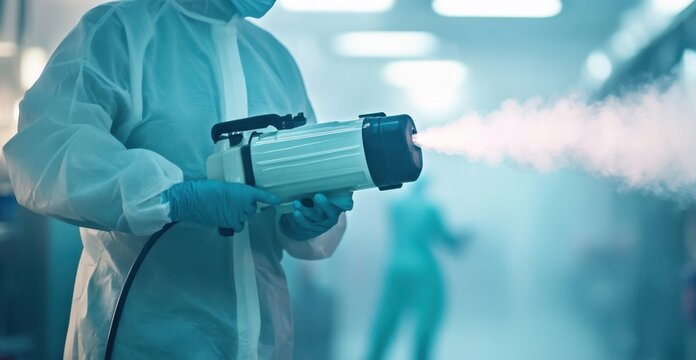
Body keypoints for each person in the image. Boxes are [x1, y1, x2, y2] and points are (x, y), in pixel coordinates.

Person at [1, 0, 352, 357]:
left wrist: (302, 221)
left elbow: (302, 176)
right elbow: (44, 150)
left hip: (260, 343)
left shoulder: (274, 59)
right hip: (144, 340)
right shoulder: (121, 33)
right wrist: (173, 198)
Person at [366, 179, 464, 360]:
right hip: (423, 270)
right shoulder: (431, 209)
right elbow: (448, 241)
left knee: (385, 323)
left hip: (396, 268)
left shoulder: (396, 207)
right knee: (425, 325)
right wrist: (462, 240)